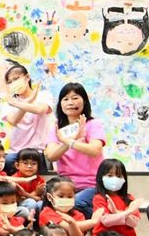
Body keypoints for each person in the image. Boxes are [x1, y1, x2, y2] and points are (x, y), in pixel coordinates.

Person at [42, 83, 105, 215]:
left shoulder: (93, 124)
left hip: (91, 184)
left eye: (75, 98)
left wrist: (69, 141)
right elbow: (51, 156)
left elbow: (95, 150)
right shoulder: (56, 129)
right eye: (65, 99)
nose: (70, 102)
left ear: (84, 101)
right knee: (43, 206)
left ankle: (99, 220)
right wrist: (68, 141)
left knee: (74, 204)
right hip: (65, 186)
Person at [0, 63, 54, 171]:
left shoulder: (44, 95)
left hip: (38, 151)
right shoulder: (8, 102)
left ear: (27, 77)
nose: (13, 83)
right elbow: (13, 120)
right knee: (8, 162)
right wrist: (27, 102)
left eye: (16, 79)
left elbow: (40, 110)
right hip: (15, 152)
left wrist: (16, 103)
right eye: (10, 82)